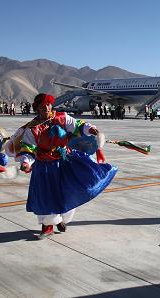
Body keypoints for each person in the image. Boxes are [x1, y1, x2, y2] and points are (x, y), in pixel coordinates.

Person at [11, 93, 117, 239]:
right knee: (46, 196)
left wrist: (90, 129)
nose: (46, 107)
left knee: (68, 191)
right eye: (42, 105)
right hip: (44, 166)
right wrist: (26, 162)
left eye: (48, 104)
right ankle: (48, 226)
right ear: (37, 108)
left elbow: (78, 126)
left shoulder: (61, 118)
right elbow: (28, 149)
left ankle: (61, 219)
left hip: (65, 161)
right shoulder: (32, 129)